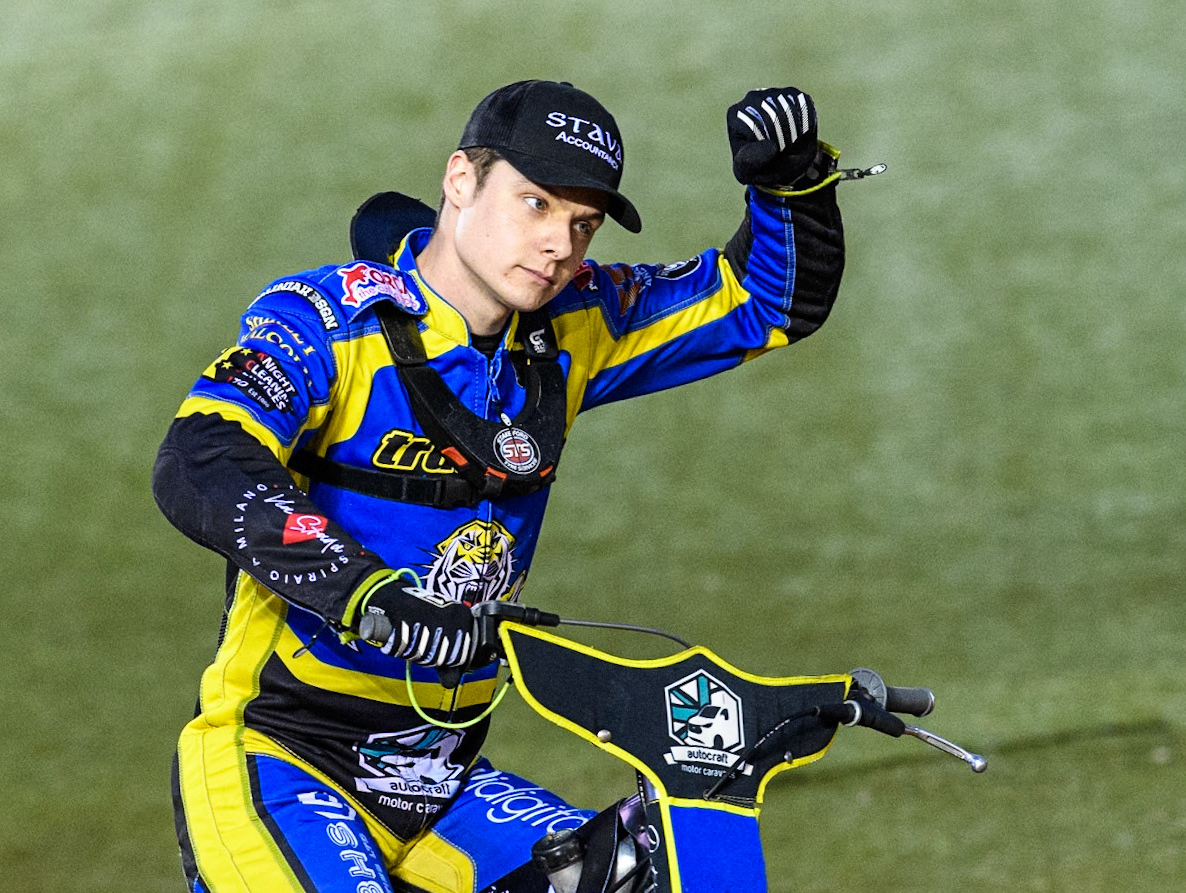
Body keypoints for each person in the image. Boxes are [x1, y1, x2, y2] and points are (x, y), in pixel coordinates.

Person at [153, 79, 851, 893]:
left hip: (443, 780)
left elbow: (768, 300)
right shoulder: (323, 321)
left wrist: (791, 182)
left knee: (644, 875)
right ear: (460, 182)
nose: (559, 244)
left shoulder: (576, 324)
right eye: (534, 204)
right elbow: (202, 455)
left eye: (581, 223)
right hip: (280, 757)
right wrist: (370, 594)